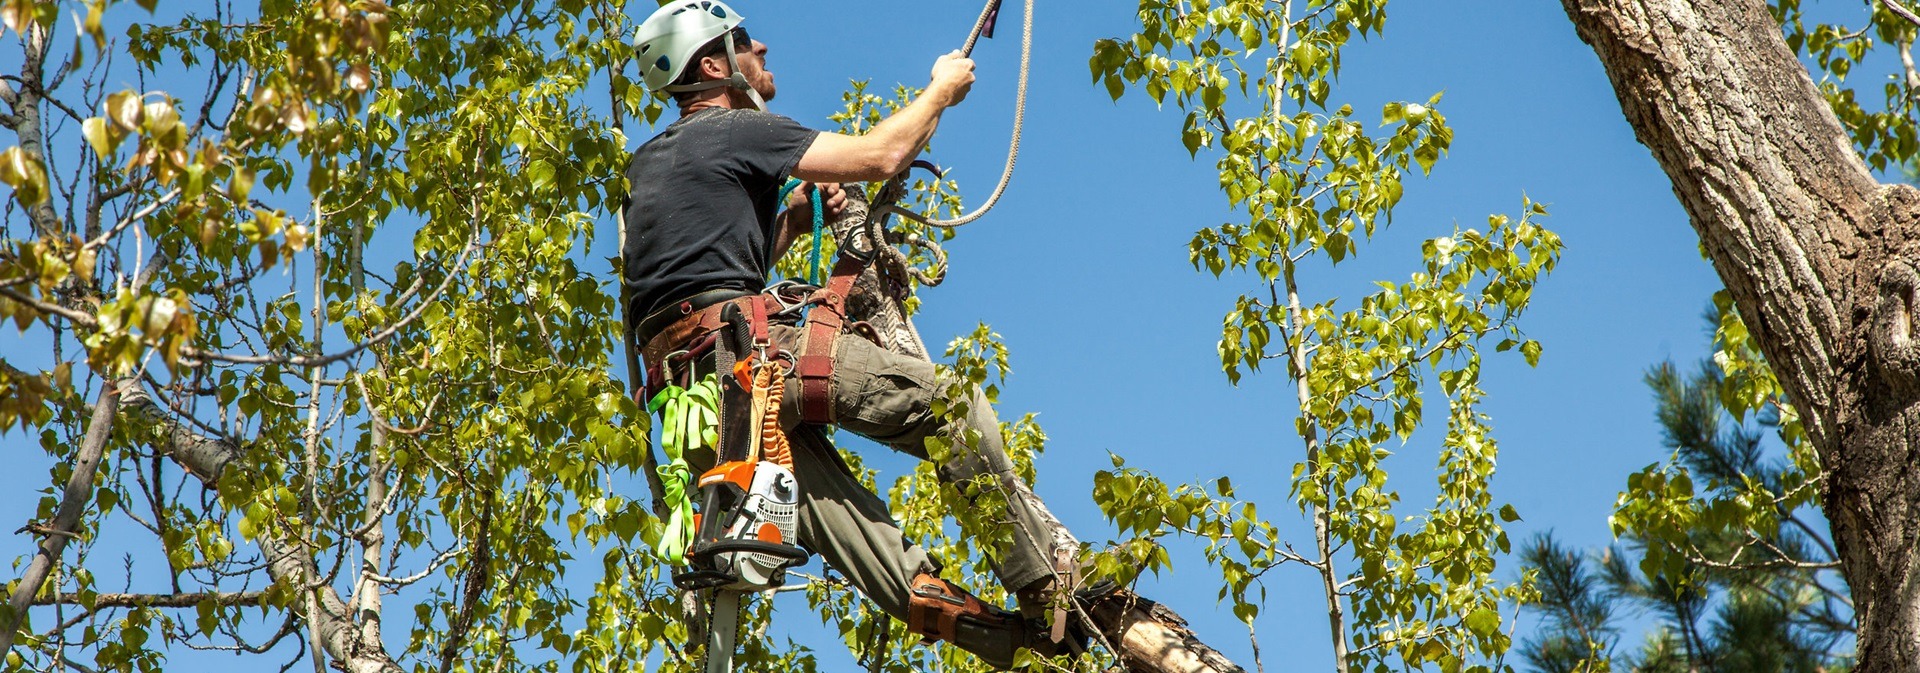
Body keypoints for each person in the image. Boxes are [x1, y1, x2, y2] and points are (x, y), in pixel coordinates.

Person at [620, 1, 1086, 668]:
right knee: (953, 409)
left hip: (695, 414)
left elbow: (698, 278)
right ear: (716, 65)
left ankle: (1022, 646)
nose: (765, 49)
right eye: (746, 42)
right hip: (751, 358)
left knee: (877, 554)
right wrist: (940, 91)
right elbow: (882, 154)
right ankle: (1046, 587)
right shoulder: (732, 130)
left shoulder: (649, 166)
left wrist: (796, 221)